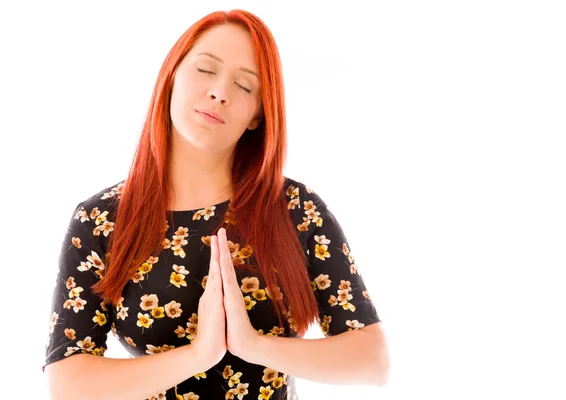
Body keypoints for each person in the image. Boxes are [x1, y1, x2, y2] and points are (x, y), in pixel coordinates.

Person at [42, 9, 389, 400]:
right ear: (172, 74)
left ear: (258, 114)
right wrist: (200, 354)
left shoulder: (295, 209)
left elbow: (372, 360)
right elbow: (68, 383)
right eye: (206, 70)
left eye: (244, 86)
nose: (220, 92)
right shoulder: (102, 220)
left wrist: (252, 344)